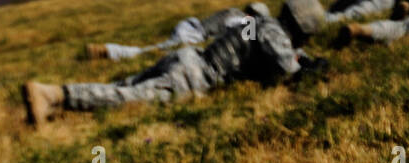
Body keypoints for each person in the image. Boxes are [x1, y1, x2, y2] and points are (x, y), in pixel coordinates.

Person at [23, 3, 326, 124]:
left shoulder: (262, 22)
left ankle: (56, 109)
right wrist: (311, 70)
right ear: (304, 30)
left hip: (189, 58)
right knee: (126, 99)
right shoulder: (274, 33)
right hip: (195, 77)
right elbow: (288, 70)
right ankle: (53, 94)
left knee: (121, 87)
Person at [84, 7, 254, 61]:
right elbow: (236, 37)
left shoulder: (234, 12)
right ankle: (106, 50)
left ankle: (107, 50)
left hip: (189, 27)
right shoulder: (245, 21)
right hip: (192, 35)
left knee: (154, 51)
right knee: (151, 53)